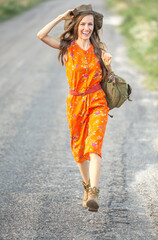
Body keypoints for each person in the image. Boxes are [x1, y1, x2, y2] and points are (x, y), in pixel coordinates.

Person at [37, 4, 113, 212]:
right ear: (76, 26)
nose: (87, 28)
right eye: (83, 24)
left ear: (94, 27)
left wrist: (109, 65)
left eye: (90, 24)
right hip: (76, 103)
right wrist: (61, 16)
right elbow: (41, 35)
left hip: (97, 101)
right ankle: (87, 187)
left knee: (94, 145)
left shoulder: (100, 49)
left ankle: (95, 192)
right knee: (79, 149)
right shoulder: (67, 46)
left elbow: (109, 78)